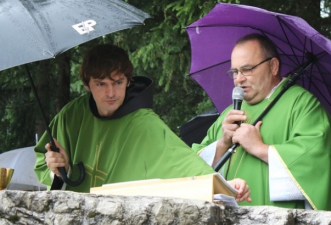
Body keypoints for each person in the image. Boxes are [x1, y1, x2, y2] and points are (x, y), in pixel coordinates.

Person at [34, 44, 250, 202]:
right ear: (87, 84)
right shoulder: (71, 116)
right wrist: (59, 169)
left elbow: (185, 168)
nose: (111, 93)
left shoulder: (145, 123)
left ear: (128, 81)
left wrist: (225, 188)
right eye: (101, 84)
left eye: (118, 82)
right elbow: (44, 164)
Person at [192, 33, 331, 211]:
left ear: (273, 66)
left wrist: (260, 148)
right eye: (235, 72)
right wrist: (222, 143)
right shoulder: (229, 114)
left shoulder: (303, 105)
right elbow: (193, 168)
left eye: (247, 69)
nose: (239, 79)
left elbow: (315, 163)